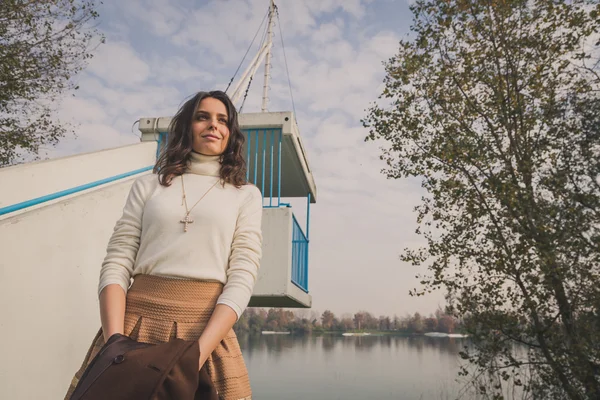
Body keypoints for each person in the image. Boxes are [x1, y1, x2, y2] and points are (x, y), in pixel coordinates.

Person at [64, 90, 263, 400]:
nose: (213, 125)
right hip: (133, 328)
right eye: (203, 116)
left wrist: (196, 355)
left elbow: (243, 274)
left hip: (205, 335)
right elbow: (117, 260)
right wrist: (114, 341)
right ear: (187, 126)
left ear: (230, 133)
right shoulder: (147, 185)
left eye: (222, 120)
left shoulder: (245, 195)